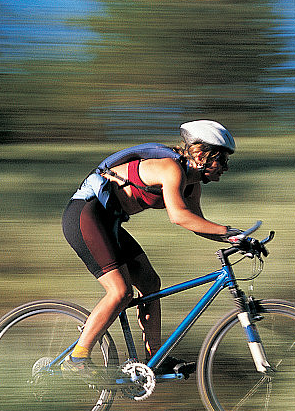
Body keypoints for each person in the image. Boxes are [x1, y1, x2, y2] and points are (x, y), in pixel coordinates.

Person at [61, 120, 243, 385]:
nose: (225, 167)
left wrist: (240, 240)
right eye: (222, 160)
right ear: (203, 155)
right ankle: (77, 358)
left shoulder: (193, 185)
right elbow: (179, 216)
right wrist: (229, 231)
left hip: (108, 222)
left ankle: (153, 358)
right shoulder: (172, 169)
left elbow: (198, 225)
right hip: (86, 215)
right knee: (120, 291)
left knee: (149, 283)